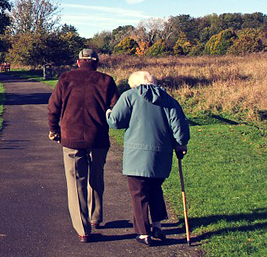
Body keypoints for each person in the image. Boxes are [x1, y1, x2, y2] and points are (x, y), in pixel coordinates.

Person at [106, 71, 190, 246]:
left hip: (136, 156)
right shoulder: (168, 99)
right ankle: (157, 225)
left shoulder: (129, 96)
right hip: (161, 155)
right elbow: (179, 127)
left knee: (139, 193)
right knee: (155, 189)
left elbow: (115, 122)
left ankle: (143, 233)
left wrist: (108, 113)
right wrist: (180, 144)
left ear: (134, 84)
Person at [47, 48, 119, 243]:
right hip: (98, 139)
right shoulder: (106, 81)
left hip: (71, 138)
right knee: (96, 178)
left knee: (75, 183)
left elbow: (53, 107)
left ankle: (83, 229)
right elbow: (115, 109)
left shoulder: (65, 78)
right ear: (96, 63)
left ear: (78, 62)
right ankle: (95, 217)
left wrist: (54, 129)